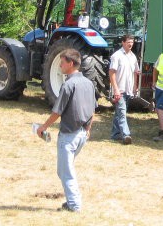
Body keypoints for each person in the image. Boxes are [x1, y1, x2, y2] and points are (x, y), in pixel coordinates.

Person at [37, 49, 96, 213]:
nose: (60, 65)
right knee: (63, 170)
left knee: (66, 171)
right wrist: (88, 129)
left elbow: (57, 111)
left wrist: (43, 127)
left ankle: (74, 205)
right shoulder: (89, 83)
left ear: (71, 64)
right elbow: (92, 110)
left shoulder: (68, 84)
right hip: (82, 134)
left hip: (69, 135)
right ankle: (72, 201)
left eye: (62, 62)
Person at [109, 34, 139, 144]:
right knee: (122, 112)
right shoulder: (116, 56)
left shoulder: (133, 57)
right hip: (119, 89)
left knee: (119, 112)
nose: (131, 44)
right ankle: (126, 135)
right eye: (128, 42)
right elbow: (111, 73)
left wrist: (135, 86)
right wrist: (116, 90)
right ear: (123, 42)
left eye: (132, 42)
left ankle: (115, 134)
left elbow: (135, 73)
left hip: (128, 89)